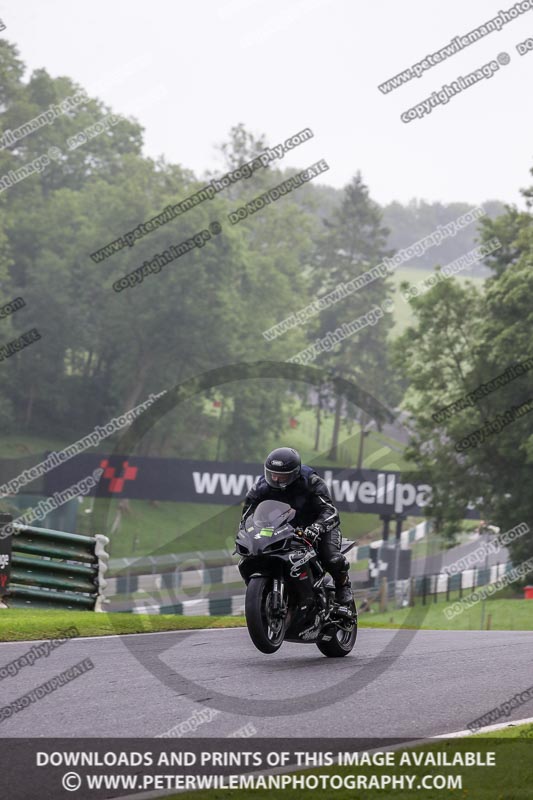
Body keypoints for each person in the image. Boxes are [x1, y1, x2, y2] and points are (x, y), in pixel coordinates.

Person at [240, 446, 353, 604]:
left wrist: (317, 527)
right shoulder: (261, 486)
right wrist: (248, 530)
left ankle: (343, 584)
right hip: (284, 529)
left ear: (294, 474)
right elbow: (248, 512)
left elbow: (330, 511)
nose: (276, 479)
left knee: (331, 558)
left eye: (281, 476)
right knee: (253, 555)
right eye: (272, 474)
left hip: (318, 528)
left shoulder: (311, 482)